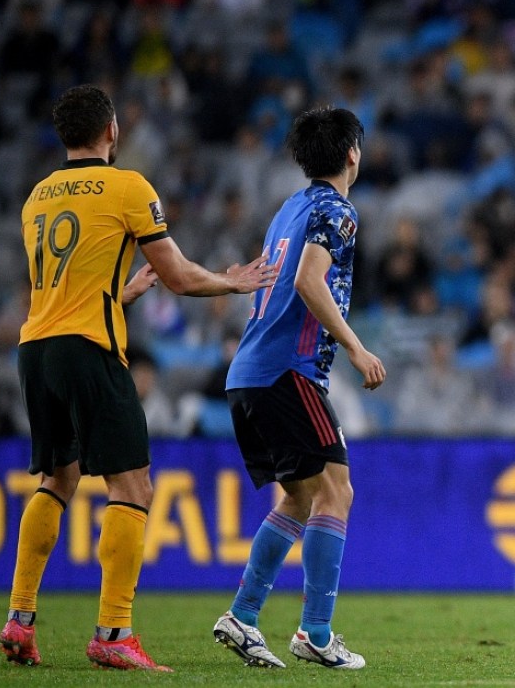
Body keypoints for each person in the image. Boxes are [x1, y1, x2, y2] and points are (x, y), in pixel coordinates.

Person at [1, 84, 278, 670]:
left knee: (57, 479)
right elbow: (177, 276)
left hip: (36, 349)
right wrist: (235, 282)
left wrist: (120, 294)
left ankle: (20, 619)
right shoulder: (128, 186)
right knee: (133, 487)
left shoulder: (37, 198)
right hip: (88, 350)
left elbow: (62, 289)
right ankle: (113, 631)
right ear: (112, 132)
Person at [213, 107, 386, 670]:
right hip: (288, 370)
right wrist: (357, 348)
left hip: (250, 372)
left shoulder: (288, 208)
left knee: (304, 495)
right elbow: (310, 281)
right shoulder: (338, 211)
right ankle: (315, 631)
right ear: (352, 154)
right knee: (337, 491)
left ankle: (242, 616)